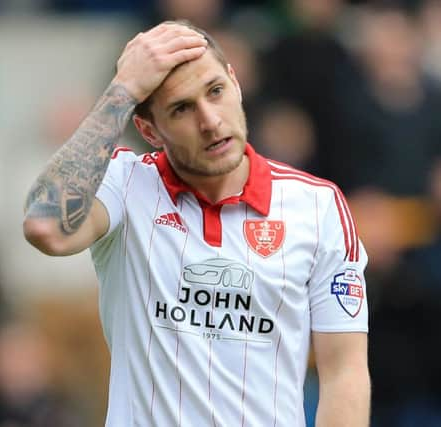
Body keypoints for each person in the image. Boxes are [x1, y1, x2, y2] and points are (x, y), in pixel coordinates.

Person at [23, 21, 370, 426]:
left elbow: (344, 372)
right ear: (149, 130)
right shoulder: (123, 183)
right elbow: (46, 228)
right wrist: (121, 91)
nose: (210, 120)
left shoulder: (317, 206)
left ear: (236, 84)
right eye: (182, 108)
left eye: (216, 91)